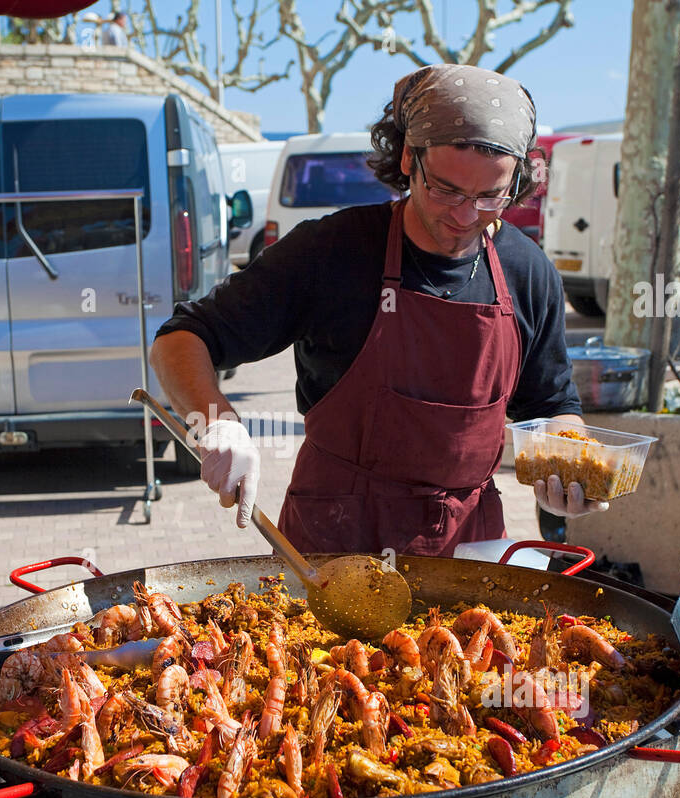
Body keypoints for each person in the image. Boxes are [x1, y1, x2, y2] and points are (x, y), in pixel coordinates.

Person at [150, 64, 608, 558]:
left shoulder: (527, 270)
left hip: (469, 550)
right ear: (410, 157)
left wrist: (570, 464)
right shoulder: (332, 250)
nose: (465, 216)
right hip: (333, 546)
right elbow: (181, 339)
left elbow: (551, 406)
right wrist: (217, 422)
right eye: (447, 190)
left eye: (489, 196)